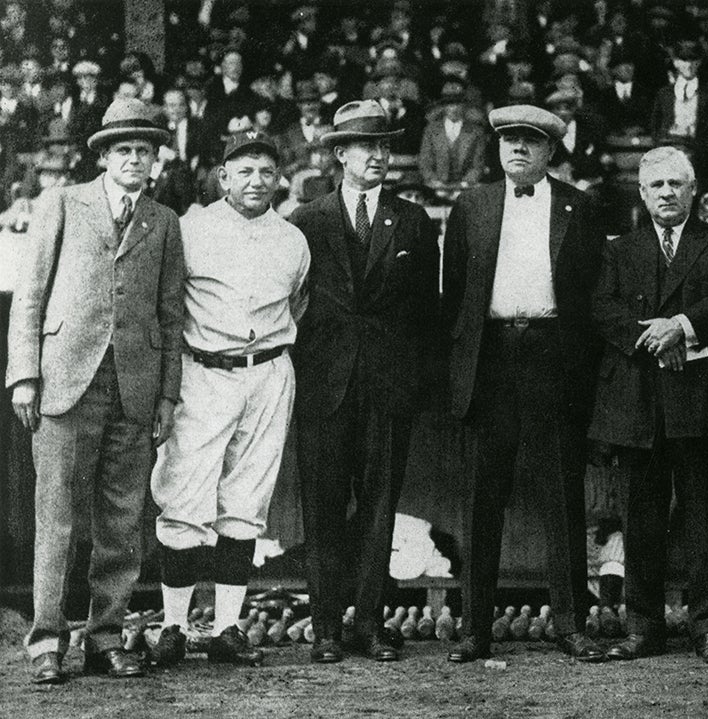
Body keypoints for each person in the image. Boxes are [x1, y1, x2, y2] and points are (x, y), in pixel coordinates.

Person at [7, 97, 185, 684]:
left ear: (156, 161)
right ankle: (47, 642)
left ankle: (106, 637)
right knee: (56, 514)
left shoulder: (163, 221)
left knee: (121, 519)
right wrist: (25, 375)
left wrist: (165, 397)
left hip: (134, 387)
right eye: (124, 149)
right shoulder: (63, 202)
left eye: (145, 150)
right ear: (104, 156)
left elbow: (169, 314)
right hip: (64, 381)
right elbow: (30, 296)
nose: (135, 159)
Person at [442, 104, 606, 664]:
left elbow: (590, 296)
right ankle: (475, 630)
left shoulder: (578, 209)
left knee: (562, 493)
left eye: (530, 142)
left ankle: (569, 625)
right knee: (483, 499)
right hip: (490, 359)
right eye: (508, 140)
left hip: (552, 357)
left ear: (550, 152)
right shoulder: (472, 206)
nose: (517, 149)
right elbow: (456, 295)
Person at [148, 131, 309, 669]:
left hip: (267, 371)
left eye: (266, 171)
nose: (256, 181)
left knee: (247, 502)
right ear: (223, 177)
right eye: (243, 171)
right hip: (204, 371)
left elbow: (298, 303)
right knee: (186, 496)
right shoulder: (191, 230)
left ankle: (226, 627)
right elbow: (168, 307)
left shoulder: (292, 238)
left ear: (278, 178)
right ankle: (172, 625)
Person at [590, 146, 708, 664]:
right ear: (642, 193)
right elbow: (602, 310)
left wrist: (680, 328)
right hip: (639, 401)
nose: (665, 193)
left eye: (675, 185)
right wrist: (655, 341)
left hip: (699, 401)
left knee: (705, 518)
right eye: (655, 185)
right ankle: (643, 626)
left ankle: (707, 626)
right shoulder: (621, 250)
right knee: (640, 519)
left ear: (693, 192)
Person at [290, 100, 440, 663]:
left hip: (387, 386)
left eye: (383, 146)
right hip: (323, 387)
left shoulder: (413, 221)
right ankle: (327, 627)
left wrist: (416, 385)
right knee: (323, 508)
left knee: (380, 507)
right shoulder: (305, 221)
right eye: (365, 147)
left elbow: (428, 313)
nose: (377, 156)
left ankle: (371, 625)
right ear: (339, 155)